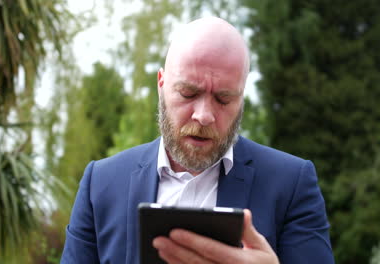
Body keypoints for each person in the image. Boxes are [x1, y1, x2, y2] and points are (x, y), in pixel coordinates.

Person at [61, 17, 334, 264]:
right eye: (188, 93)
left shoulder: (291, 184)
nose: (204, 116)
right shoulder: (100, 184)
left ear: (241, 98)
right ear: (161, 85)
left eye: (223, 98)